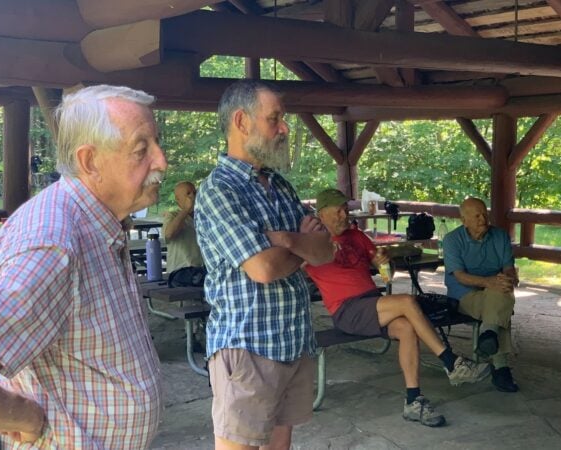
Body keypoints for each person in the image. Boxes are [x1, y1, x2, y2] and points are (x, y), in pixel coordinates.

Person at [0, 85, 167, 448]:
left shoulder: (97, 221)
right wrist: (21, 414)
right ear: (90, 161)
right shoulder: (53, 240)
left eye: (157, 143)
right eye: (141, 149)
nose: (162, 161)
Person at [195, 79, 334, 450]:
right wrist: (302, 247)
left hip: (292, 342)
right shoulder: (219, 190)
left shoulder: (280, 186)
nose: (285, 128)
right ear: (242, 121)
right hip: (247, 349)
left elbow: (326, 251)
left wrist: (287, 240)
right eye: (275, 119)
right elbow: (263, 269)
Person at [304, 188, 492, 427]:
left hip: (372, 302)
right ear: (321, 214)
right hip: (346, 310)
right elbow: (292, 267)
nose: (344, 215)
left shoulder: (357, 236)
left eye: (346, 210)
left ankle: (414, 401)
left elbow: (387, 277)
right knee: (407, 301)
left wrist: (385, 262)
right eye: (338, 211)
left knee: (406, 327)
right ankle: (451, 362)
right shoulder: (311, 244)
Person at [443, 197, 520, 392]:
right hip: (465, 294)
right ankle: (500, 368)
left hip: (496, 291)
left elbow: (509, 268)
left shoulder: (500, 236)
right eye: (476, 216)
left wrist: (508, 278)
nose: (483, 219)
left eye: (485, 214)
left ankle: (488, 333)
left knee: (502, 293)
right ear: (464, 220)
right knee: (499, 305)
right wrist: (490, 282)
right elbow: (460, 277)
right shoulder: (452, 240)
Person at [162, 181, 204, 273]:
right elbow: (169, 235)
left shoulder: (203, 216)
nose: (192, 196)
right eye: (188, 193)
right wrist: (186, 210)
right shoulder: (172, 215)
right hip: (179, 273)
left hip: (202, 272)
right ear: (178, 199)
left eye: (194, 192)